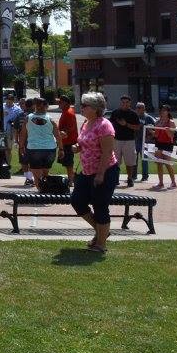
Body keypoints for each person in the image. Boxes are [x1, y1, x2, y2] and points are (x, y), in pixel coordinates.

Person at [70, 91, 120, 253]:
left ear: (95, 108)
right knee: (77, 201)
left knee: (100, 205)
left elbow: (107, 152)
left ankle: (101, 244)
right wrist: (77, 148)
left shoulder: (104, 125)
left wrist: (100, 174)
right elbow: (85, 143)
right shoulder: (86, 123)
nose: (82, 108)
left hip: (105, 171)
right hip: (86, 171)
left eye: (85, 105)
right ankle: (101, 232)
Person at [23, 97, 62, 190]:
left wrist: (21, 147)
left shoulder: (28, 118)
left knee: (36, 173)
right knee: (45, 172)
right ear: (46, 106)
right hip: (50, 149)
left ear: (35, 106)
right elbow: (58, 135)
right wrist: (61, 149)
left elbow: (22, 134)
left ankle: (40, 190)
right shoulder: (51, 119)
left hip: (34, 148)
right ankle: (44, 189)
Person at [107, 95, 141, 187]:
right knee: (115, 161)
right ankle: (115, 178)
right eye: (123, 102)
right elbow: (109, 125)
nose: (124, 104)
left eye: (127, 102)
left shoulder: (133, 114)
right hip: (116, 140)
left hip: (129, 140)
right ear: (120, 103)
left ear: (130, 103)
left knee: (129, 162)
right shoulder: (115, 112)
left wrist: (126, 124)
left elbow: (137, 127)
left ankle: (130, 178)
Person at [151, 104, 177, 190]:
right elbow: (155, 135)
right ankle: (161, 183)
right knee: (159, 163)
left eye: (164, 110)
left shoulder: (171, 122)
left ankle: (173, 182)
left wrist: (167, 131)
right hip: (158, 143)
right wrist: (151, 130)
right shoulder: (157, 121)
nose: (162, 112)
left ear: (168, 112)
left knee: (167, 163)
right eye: (161, 110)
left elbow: (171, 136)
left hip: (167, 144)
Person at [56, 94, 78, 179]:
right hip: (65, 141)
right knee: (66, 162)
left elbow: (70, 127)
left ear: (65, 103)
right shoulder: (66, 111)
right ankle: (72, 177)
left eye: (60, 102)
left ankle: (71, 180)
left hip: (69, 141)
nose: (59, 104)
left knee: (68, 162)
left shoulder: (69, 112)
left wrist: (63, 133)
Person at [134, 102, 155, 182]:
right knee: (134, 159)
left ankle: (145, 176)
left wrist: (150, 136)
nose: (138, 109)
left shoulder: (148, 118)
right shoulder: (134, 117)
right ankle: (133, 175)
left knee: (144, 159)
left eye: (140, 107)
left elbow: (154, 129)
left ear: (144, 108)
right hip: (135, 140)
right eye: (137, 107)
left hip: (145, 141)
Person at [3, 94, 24, 173]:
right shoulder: (2, 106)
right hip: (1, 131)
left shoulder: (17, 109)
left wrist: (12, 122)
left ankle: (7, 165)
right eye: (7, 100)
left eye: (9, 101)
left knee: (8, 149)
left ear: (13, 101)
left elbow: (18, 121)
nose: (8, 102)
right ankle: (2, 164)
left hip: (10, 131)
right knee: (1, 149)